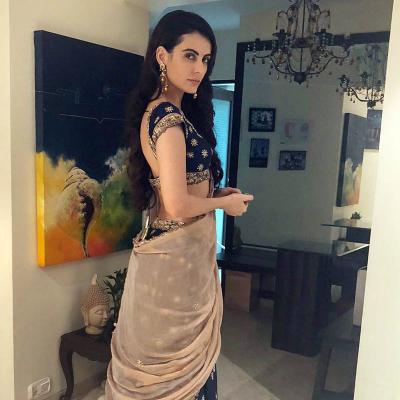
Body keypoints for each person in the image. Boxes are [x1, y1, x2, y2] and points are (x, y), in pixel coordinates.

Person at [104, 10, 254, 400]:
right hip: (176, 262)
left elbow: (177, 191)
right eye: (189, 55)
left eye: (205, 59)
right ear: (162, 56)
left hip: (178, 257)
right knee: (176, 371)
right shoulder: (168, 119)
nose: (199, 68)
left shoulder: (162, 112)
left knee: (182, 363)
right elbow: (175, 203)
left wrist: (216, 196)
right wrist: (225, 206)